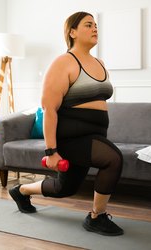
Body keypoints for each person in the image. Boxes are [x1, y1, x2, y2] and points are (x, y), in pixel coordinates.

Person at [9, 11, 124, 236]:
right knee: (113, 159)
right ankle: (96, 217)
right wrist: (51, 151)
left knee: (64, 188)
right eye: (88, 25)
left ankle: (21, 191)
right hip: (71, 138)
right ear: (72, 32)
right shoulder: (63, 63)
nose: (95, 29)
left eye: (96, 25)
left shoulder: (99, 63)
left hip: (95, 135)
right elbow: (49, 109)